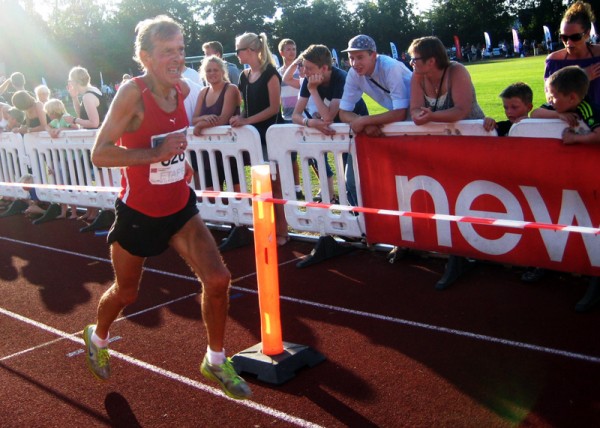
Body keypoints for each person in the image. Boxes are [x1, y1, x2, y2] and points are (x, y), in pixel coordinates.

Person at [86, 15, 251, 399]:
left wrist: (178, 162)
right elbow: (100, 153)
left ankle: (214, 360)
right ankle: (98, 335)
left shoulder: (184, 88)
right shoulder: (132, 93)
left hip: (179, 206)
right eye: (167, 52)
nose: (177, 58)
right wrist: (155, 154)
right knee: (126, 293)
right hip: (139, 213)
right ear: (145, 56)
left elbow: (172, 139)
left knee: (219, 279)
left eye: (180, 49)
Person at [408, 35, 485, 290]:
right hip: (442, 146)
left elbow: (462, 110)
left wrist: (429, 117)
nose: (411, 63)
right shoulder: (417, 76)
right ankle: (457, 251)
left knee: (474, 195)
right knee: (448, 196)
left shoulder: (457, 71)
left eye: (415, 59)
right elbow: (415, 109)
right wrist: (425, 117)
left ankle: (476, 248)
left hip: (473, 143)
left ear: (432, 60)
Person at [531, 65, 600, 312]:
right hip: (570, 180)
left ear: (572, 98)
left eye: (554, 96)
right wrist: (558, 115)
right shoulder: (562, 108)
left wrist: (575, 139)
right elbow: (535, 113)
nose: (550, 99)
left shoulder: (587, 108)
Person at [230, 32, 289, 245]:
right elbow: (246, 106)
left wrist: (246, 121)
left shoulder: (271, 73)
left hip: (270, 136)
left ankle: (282, 231)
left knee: (275, 185)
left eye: (238, 50)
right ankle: (267, 229)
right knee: (259, 186)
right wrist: (240, 117)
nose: (236, 54)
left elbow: (274, 108)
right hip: (253, 137)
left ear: (251, 51)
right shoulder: (244, 76)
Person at [339, 34, 412, 206]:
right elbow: (343, 112)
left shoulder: (390, 67)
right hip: (404, 122)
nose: (355, 63)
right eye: (351, 58)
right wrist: (364, 124)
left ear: (373, 55)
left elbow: (400, 112)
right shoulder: (353, 74)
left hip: (422, 116)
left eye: (360, 57)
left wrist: (364, 122)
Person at [291, 44, 369, 203]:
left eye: (309, 68)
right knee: (347, 182)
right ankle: (355, 216)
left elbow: (328, 117)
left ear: (324, 68)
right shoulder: (308, 80)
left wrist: (313, 90)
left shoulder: (341, 78)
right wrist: (311, 122)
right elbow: (295, 115)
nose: (305, 72)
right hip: (337, 132)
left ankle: (362, 218)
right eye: (303, 67)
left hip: (357, 129)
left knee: (353, 181)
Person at [65, 66, 109, 226]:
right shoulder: (90, 93)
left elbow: (93, 122)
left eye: (71, 81)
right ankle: (93, 209)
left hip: (95, 142)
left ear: (76, 81)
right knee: (88, 176)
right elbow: (82, 114)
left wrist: (74, 121)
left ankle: (99, 210)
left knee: (93, 176)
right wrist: (74, 98)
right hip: (93, 142)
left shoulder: (89, 96)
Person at [191, 55, 242, 190]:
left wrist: (201, 125)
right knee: (212, 195)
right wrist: (204, 118)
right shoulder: (203, 91)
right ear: (203, 73)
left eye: (215, 70)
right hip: (208, 151)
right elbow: (194, 119)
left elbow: (223, 119)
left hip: (229, 149)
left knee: (236, 195)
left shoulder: (230, 89)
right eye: (208, 70)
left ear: (222, 71)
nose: (212, 73)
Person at [544, 1, 600, 104]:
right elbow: (550, 99)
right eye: (564, 37)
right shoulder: (554, 61)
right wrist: (582, 76)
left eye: (575, 37)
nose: (568, 42)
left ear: (587, 34)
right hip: (569, 119)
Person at [43, 98, 80, 220]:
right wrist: (50, 131)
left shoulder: (65, 117)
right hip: (63, 157)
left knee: (71, 183)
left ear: (54, 110)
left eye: (49, 111)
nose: (48, 114)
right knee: (61, 182)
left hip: (73, 157)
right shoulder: (56, 121)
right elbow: (47, 126)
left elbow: (76, 128)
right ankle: (64, 210)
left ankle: (74, 211)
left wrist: (63, 130)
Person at [277, 38, 303, 199]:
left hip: (303, 116)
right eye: (288, 49)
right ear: (281, 52)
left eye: (294, 49)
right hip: (286, 117)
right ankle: (295, 188)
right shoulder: (278, 73)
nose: (292, 52)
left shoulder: (302, 69)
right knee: (291, 156)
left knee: (311, 155)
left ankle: (325, 188)